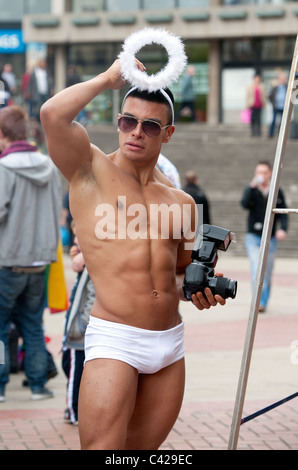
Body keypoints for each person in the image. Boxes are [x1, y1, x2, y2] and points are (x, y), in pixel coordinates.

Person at [40, 59, 226, 450]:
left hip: (170, 345)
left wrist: (199, 289)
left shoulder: (184, 202)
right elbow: (53, 115)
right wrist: (108, 79)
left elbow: (178, 274)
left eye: (150, 126)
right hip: (116, 339)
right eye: (128, 121)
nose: (136, 132)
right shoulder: (89, 170)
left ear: (168, 133)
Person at [0, 105, 61, 402]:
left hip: (8, 261)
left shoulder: (3, 168)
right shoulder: (48, 166)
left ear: (3, 135)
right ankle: (38, 385)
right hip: (39, 261)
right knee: (33, 325)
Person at [241, 160, 288, 313]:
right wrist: (251, 187)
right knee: (256, 267)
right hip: (253, 237)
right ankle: (258, 302)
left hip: (271, 237)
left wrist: (283, 229)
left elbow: (284, 213)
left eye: (263, 172)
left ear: (270, 173)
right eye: (258, 172)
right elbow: (243, 204)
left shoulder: (276, 191)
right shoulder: (252, 191)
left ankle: (264, 301)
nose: (260, 175)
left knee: (266, 271)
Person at [62, 227, 95, 426]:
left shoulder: (92, 263)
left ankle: (75, 411)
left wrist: (83, 325)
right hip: (79, 328)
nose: (75, 241)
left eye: (77, 236)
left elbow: (92, 296)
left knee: (74, 369)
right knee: (70, 365)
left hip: (81, 331)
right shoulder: (86, 261)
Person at [246, 73, 266, 137]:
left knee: (259, 119)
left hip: (259, 104)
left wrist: (264, 103)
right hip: (252, 104)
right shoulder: (250, 86)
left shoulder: (262, 86)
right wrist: (247, 104)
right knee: (253, 119)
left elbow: (264, 96)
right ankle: (253, 132)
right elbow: (247, 96)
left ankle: (259, 132)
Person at [268, 72, 287, 138]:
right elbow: (270, 96)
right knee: (274, 120)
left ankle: (281, 134)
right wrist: (273, 104)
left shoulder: (286, 87)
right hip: (276, 106)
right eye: (281, 78)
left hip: (284, 107)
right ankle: (271, 133)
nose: (282, 80)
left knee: (282, 121)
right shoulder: (275, 87)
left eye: (283, 78)